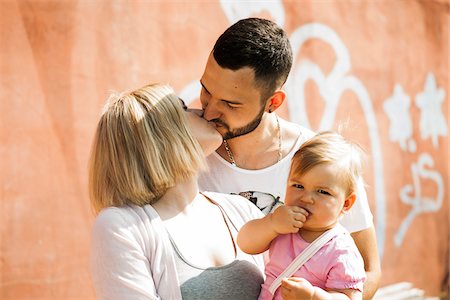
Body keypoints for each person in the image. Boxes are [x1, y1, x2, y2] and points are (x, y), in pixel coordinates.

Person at [196, 17, 381, 299]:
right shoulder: (186, 156)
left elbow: (368, 272)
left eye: (230, 104)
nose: (209, 112)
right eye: (206, 92)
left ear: (273, 102)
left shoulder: (323, 162)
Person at [89, 83, 266, 300]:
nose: (202, 111)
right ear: (157, 135)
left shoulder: (242, 211)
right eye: (182, 108)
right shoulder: (122, 227)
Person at [238, 132, 366, 300]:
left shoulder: (341, 250)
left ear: (346, 203)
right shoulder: (283, 225)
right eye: (298, 186)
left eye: (322, 191)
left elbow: (350, 297)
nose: (306, 197)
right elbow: (245, 243)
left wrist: (313, 296)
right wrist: (271, 224)